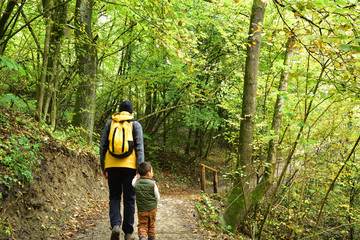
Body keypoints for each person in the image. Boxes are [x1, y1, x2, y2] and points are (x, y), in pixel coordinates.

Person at [100, 100, 144, 240]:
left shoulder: (110, 123)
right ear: (131, 111)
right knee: (129, 199)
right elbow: (139, 148)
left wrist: (104, 166)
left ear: (119, 110)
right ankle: (129, 233)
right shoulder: (135, 124)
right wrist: (140, 170)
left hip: (112, 165)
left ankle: (115, 225)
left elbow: (102, 146)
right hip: (130, 167)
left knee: (114, 196)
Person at [132, 162, 160, 240]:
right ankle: (151, 238)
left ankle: (142, 237)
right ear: (148, 173)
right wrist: (156, 204)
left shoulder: (136, 183)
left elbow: (132, 183)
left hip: (142, 210)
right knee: (151, 225)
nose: (152, 173)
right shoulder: (153, 183)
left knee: (142, 225)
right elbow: (157, 196)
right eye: (151, 171)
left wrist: (136, 177)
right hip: (152, 209)